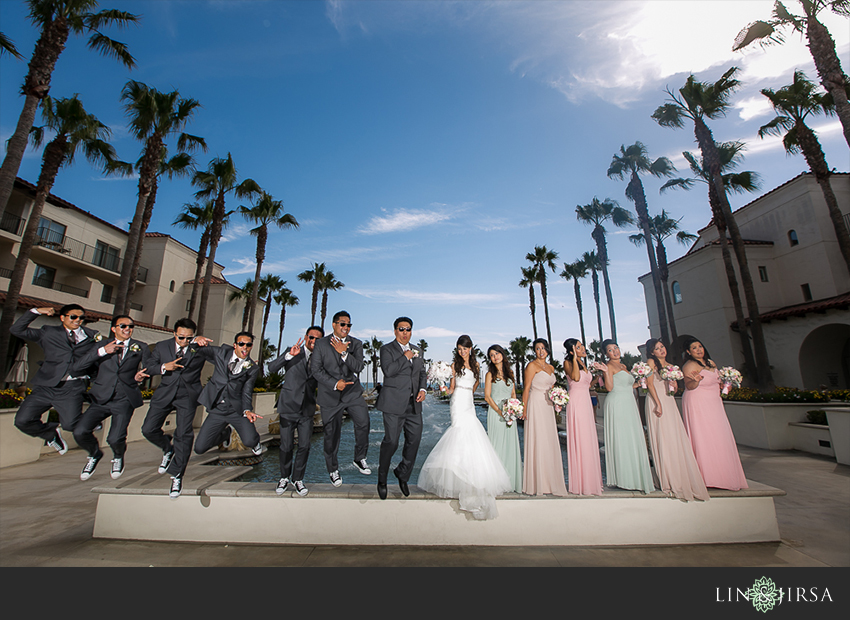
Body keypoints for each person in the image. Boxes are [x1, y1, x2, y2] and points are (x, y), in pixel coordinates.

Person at [417, 335, 512, 519]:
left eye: (465, 349)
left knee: (473, 434)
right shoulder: (454, 366)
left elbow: (475, 385)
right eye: (460, 349)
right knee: (459, 432)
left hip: (469, 402)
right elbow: (452, 388)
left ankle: (471, 478)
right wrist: (445, 389)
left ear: (470, 349)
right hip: (458, 402)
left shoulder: (476, 366)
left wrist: (471, 390)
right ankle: (459, 476)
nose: (462, 352)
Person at [10, 305, 99, 454]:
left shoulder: (92, 337)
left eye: (81, 317)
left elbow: (97, 361)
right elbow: (16, 330)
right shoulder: (48, 332)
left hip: (72, 388)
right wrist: (35, 312)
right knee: (22, 421)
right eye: (73, 317)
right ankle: (50, 434)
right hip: (45, 386)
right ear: (63, 318)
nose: (78, 320)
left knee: (71, 425)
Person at [72, 315, 151, 481]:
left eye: (130, 326)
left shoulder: (141, 347)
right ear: (114, 328)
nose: (127, 329)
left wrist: (142, 375)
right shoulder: (101, 346)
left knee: (115, 437)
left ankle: (118, 456)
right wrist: (102, 352)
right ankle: (94, 454)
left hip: (124, 398)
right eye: (122, 326)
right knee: (80, 432)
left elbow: (150, 367)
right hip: (101, 398)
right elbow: (78, 366)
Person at [141, 318, 213, 498]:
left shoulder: (199, 348)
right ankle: (167, 448)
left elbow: (222, 357)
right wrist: (164, 367)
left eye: (189, 338)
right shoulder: (161, 346)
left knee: (184, 434)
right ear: (174, 333)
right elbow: (149, 367)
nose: (185, 341)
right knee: (148, 429)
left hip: (187, 395)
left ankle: (177, 474)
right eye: (181, 338)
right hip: (164, 393)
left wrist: (202, 342)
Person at [643, 338, 709, 502]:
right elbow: (650, 385)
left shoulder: (670, 366)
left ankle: (679, 474)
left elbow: (675, 389)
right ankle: (667, 477)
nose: (661, 350)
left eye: (662, 346)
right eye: (657, 348)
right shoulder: (651, 362)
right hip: (656, 401)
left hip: (669, 400)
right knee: (662, 437)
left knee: (674, 436)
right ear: (652, 352)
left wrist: (673, 383)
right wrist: (658, 404)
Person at [309, 310, 371, 487]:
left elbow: (358, 366)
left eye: (349, 325)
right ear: (334, 325)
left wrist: (344, 353)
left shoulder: (356, 344)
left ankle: (359, 458)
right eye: (343, 324)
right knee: (331, 434)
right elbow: (316, 370)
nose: (346, 327)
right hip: (330, 395)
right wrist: (335, 384)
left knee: (363, 422)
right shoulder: (321, 344)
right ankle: (333, 469)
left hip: (352, 393)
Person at [681, 336, 748, 491]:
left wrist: (725, 386)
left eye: (700, 346)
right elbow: (690, 386)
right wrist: (696, 380)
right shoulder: (689, 365)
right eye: (694, 348)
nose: (699, 350)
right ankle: (706, 476)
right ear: (688, 352)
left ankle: (724, 474)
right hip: (697, 402)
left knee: (719, 435)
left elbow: (716, 383)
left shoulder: (711, 363)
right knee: (703, 436)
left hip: (714, 402)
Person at [267, 325, 324, 497]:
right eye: (311, 337)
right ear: (306, 337)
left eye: (318, 339)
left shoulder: (321, 358)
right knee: (285, 446)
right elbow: (271, 368)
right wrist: (288, 356)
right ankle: (284, 477)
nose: (314, 341)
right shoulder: (292, 352)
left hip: (307, 409)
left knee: (305, 446)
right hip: (288, 407)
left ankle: (297, 479)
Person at [375, 317, 427, 500]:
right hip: (393, 404)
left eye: (408, 329)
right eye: (401, 329)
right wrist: (405, 357)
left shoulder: (418, 350)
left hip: (414, 405)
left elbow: (422, 373)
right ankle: (382, 479)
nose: (405, 333)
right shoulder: (386, 349)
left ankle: (402, 474)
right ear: (395, 331)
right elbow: (388, 371)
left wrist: (422, 388)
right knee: (391, 442)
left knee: (414, 441)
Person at [193, 332, 264, 460]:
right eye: (241, 344)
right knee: (199, 448)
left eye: (248, 345)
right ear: (235, 345)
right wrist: (196, 340)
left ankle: (255, 442)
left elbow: (247, 391)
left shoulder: (252, 368)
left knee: (249, 441)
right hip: (217, 409)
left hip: (236, 410)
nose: (245, 347)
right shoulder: (221, 353)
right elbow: (196, 349)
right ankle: (225, 434)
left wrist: (247, 410)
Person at [597, 339, 654, 494]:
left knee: (632, 437)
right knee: (622, 438)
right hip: (617, 403)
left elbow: (627, 384)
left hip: (629, 403)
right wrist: (605, 372)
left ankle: (635, 476)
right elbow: (609, 387)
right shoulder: (609, 366)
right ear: (606, 354)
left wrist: (638, 382)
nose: (615, 351)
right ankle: (624, 478)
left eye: (616, 348)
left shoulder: (623, 366)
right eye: (610, 350)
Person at [521, 338, 568, 496]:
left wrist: (557, 400)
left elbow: (552, 388)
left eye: (543, 348)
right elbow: (526, 389)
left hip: (548, 406)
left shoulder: (551, 367)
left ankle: (550, 481)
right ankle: (537, 483)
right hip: (536, 404)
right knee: (538, 440)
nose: (540, 351)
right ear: (534, 351)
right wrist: (524, 409)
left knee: (549, 441)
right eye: (537, 348)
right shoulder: (531, 366)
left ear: (547, 350)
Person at [563, 338, 603, 496]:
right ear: (572, 351)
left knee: (588, 437)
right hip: (576, 402)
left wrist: (599, 375)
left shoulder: (583, 364)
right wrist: (573, 359)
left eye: (581, 346)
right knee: (580, 437)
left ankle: (591, 479)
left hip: (586, 400)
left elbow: (586, 383)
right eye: (578, 347)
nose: (583, 348)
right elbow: (576, 379)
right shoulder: (568, 363)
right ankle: (580, 482)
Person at [483, 344, 522, 493]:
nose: (495, 357)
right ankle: (496, 483)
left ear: (502, 354)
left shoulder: (510, 372)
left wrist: (513, 409)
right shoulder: (489, 375)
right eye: (492, 355)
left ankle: (511, 482)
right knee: (497, 446)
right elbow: (487, 397)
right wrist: (501, 412)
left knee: (510, 447)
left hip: (510, 414)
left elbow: (513, 394)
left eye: (497, 353)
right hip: (496, 413)